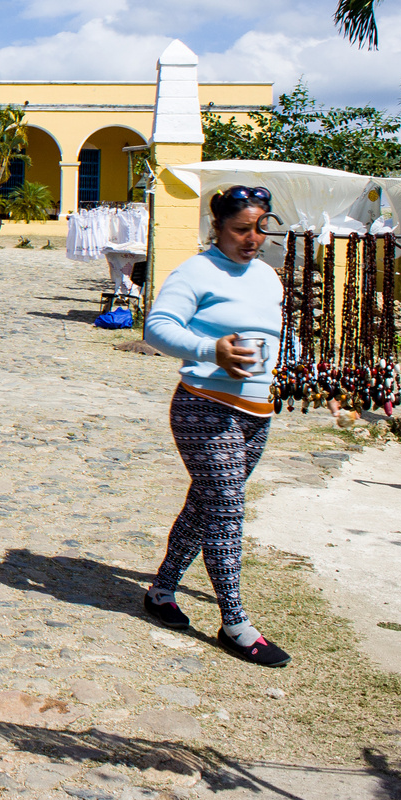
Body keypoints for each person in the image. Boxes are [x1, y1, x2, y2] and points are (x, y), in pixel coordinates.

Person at [142, 185, 289, 667]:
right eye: (242, 229)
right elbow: (158, 328)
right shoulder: (196, 271)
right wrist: (212, 350)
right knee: (227, 508)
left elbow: (273, 333)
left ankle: (161, 591)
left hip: (257, 410)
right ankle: (235, 622)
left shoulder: (268, 276)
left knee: (206, 504)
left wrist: (291, 367)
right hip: (204, 407)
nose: (253, 238)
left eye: (260, 227)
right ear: (218, 228)